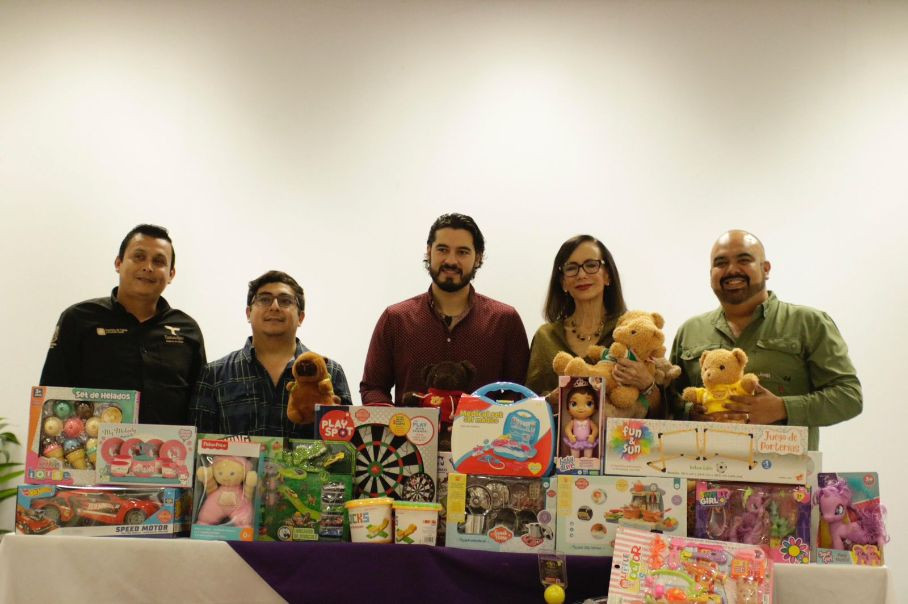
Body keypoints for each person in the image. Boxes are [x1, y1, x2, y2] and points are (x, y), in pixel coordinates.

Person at [669, 230, 862, 450]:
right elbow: (669, 401)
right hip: (701, 469)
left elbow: (849, 397)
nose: (731, 270)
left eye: (744, 260)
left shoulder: (809, 323)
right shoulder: (690, 331)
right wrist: (691, 412)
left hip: (784, 470)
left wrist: (782, 408)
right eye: (720, 263)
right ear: (711, 273)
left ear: (766, 268)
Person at [40, 224, 206, 425]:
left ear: (171, 274)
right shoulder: (78, 320)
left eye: (159, 261)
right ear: (118, 263)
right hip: (90, 444)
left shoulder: (188, 331)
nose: (148, 267)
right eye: (139, 257)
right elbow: (52, 396)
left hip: (169, 445)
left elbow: (201, 406)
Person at [360, 213, 529, 404]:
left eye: (462, 252)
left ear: (478, 258)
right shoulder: (395, 319)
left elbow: (521, 390)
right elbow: (373, 388)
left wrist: (495, 416)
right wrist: (395, 419)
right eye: (442, 249)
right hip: (410, 425)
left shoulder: (505, 320)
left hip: (485, 425)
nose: (451, 261)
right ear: (429, 251)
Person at [190, 270, 352, 438]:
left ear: (300, 317)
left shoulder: (330, 371)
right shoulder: (214, 375)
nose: (274, 307)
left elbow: (347, 444)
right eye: (264, 299)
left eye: (285, 301)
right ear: (248, 313)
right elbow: (198, 445)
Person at [526, 235, 658, 411]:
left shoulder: (633, 331)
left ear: (607, 275)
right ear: (563, 282)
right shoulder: (545, 337)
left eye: (591, 265)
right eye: (571, 268)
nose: (581, 275)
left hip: (619, 430)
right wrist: (550, 401)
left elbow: (665, 413)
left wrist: (647, 383)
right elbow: (526, 403)